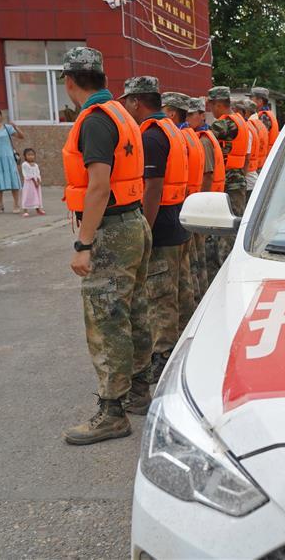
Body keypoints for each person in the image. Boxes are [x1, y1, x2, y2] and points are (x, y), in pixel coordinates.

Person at [58, 47, 153, 445]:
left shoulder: (96, 120)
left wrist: (83, 243)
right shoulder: (120, 113)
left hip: (111, 230)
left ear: (69, 81)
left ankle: (113, 412)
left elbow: (98, 186)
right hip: (133, 222)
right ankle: (139, 390)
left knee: (106, 320)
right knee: (134, 310)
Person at [120, 76, 196, 382]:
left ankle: (163, 357)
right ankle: (186, 348)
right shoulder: (172, 129)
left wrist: (146, 230)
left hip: (162, 224)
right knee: (181, 290)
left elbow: (153, 186)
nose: (126, 107)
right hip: (178, 218)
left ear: (136, 101)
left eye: (127, 101)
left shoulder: (151, 136)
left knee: (160, 295)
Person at [163, 92, 208, 301]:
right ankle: (198, 301)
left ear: (172, 113)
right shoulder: (191, 137)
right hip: (192, 204)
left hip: (181, 206)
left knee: (184, 269)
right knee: (192, 264)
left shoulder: (179, 138)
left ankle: (195, 304)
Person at [209, 86, 250, 265]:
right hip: (238, 179)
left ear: (218, 104)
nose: (211, 110)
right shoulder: (240, 120)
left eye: (211, 105)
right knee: (234, 225)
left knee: (226, 230)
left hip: (229, 181)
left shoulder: (226, 124)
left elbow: (204, 138)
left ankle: (227, 266)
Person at [188, 96, 227, 285]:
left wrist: (200, 205)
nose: (188, 119)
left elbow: (207, 175)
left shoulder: (203, 140)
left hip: (208, 203)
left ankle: (210, 289)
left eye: (191, 115)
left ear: (202, 115)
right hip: (214, 199)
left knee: (207, 254)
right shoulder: (204, 136)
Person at [250, 86, 279, 157]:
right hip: (268, 155)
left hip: (265, 157)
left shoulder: (264, 116)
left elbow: (259, 138)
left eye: (251, 98)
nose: (249, 101)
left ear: (260, 101)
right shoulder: (267, 113)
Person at [20, 148, 45, 216]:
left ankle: (38, 209)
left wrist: (38, 180)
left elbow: (38, 173)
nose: (31, 156)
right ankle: (25, 210)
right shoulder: (25, 164)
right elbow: (27, 174)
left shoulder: (36, 165)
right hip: (29, 184)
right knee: (27, 195)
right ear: (25, 156)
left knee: (37, 196)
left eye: (32, 155)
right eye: (28, 155)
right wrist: (34, 181)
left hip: (36, 184)